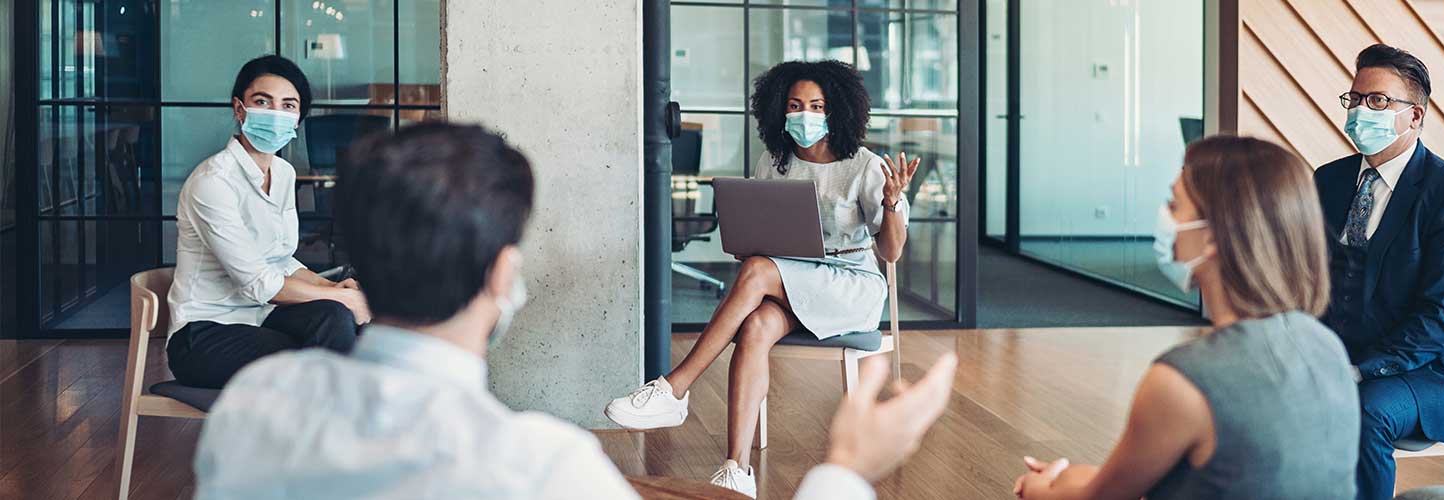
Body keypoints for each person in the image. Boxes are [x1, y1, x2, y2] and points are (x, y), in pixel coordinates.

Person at [192, 122, 960, 500]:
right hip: (782, 286)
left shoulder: (251, 411)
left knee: (759, 301)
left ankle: (687, 401)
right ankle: (690, 405)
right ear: (505, 275)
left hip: (838, 284)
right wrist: (847, 470)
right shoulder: (542, 469)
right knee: (758, 303)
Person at [603, 60, 917, 497]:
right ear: (778, 110)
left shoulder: (863, 166)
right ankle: (737, 468)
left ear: (835, 110)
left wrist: (890, 203)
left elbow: (891, 252)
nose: (803, 114)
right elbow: (759, 238)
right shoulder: (773, 163)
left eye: (815, 105)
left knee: (756, 271)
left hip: (850, 285)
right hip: (792, 279)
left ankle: (675, 389)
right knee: (754, 324)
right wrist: (746, 237)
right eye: (794, 104)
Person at [1013, 136, 1359, 500]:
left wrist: (1039, 489)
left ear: (1212, 237)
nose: (1164, 217)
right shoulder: (1326, 346)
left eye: (1174, 205)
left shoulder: (1182, 381)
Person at [1317, 44, 1444, 500]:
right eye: (1355, 99)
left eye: (1378, 101)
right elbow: (1303, 280)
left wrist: (1361, 370)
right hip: (1333, 355)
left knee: (1362, 411)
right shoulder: (1327, 181)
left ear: (1415, 116)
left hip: (1422, 373)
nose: (1360, 111)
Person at [165, 55, 369, 389]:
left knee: (334, 322)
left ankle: (336, 427)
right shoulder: (212, 182)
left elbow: (281, 260)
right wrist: (344, 299)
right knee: (323, 350)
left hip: (260, 318)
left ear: (298, 119)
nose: (276, 114)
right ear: (239, 108)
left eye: (288, 105)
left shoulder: (284, 173)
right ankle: (340, 431)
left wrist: (333, 289)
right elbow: (258, 283)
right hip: (204, 337)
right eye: (263, 101)